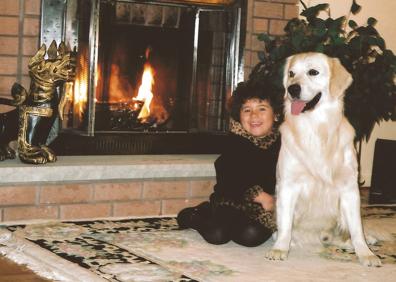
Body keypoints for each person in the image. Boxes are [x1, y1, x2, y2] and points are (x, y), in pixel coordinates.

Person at [177, 79, 283, 247]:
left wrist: (275, 200)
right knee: (217, 235)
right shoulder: (236, 142)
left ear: (276, 114)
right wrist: (259, 195)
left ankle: (238, 227)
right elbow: (230, 175)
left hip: (262, 207)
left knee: (250, 236)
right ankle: (197, 215)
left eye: (262, 109)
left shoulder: (283, 144)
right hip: (231, 200)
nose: (254, 116)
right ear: (239, 116)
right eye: (247, 110)